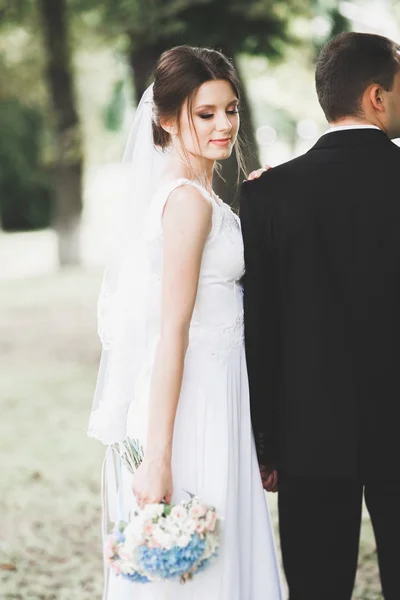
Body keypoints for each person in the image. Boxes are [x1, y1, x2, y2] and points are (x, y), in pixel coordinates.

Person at [88, 46, 284, 600]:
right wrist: (159, 458)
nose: (225, 125)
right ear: (168, 119)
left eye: (231, 110)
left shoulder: (201, 197)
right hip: (194, 403)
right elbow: (170, 331)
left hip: (218, 394)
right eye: (206, 114)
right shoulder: (188, 204)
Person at [240, 31, 400, 600]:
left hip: (308, 435)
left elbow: (257, 329)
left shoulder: (268, 194)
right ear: (377, 96)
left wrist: (266, 441)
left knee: (315, 588)